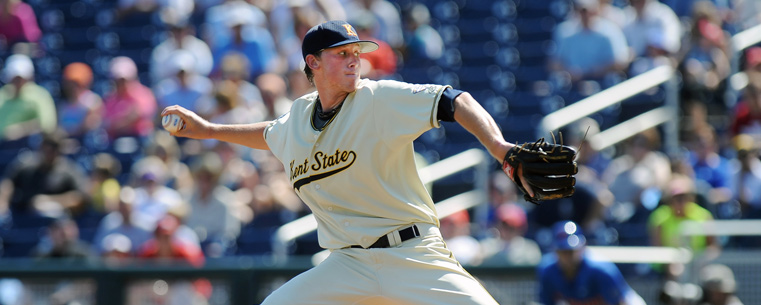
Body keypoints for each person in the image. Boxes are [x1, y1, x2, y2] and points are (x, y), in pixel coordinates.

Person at [162, 20, 544, 304]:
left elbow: (453, 100)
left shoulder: (377, 99)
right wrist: (208, 129)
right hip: (347, 264)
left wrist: (501, 149)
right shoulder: (295, 118)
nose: (354, 61)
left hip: (411, 254)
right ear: (312, 62)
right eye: (342, 53)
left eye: (356, 53)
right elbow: (267, 134)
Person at [537, 220, 645, 305]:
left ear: (582, 247)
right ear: (555, 251)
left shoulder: (600, 269)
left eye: (571, 251)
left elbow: (621, 302)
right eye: (563, 251)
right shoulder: (548, 270)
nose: (568, 256)